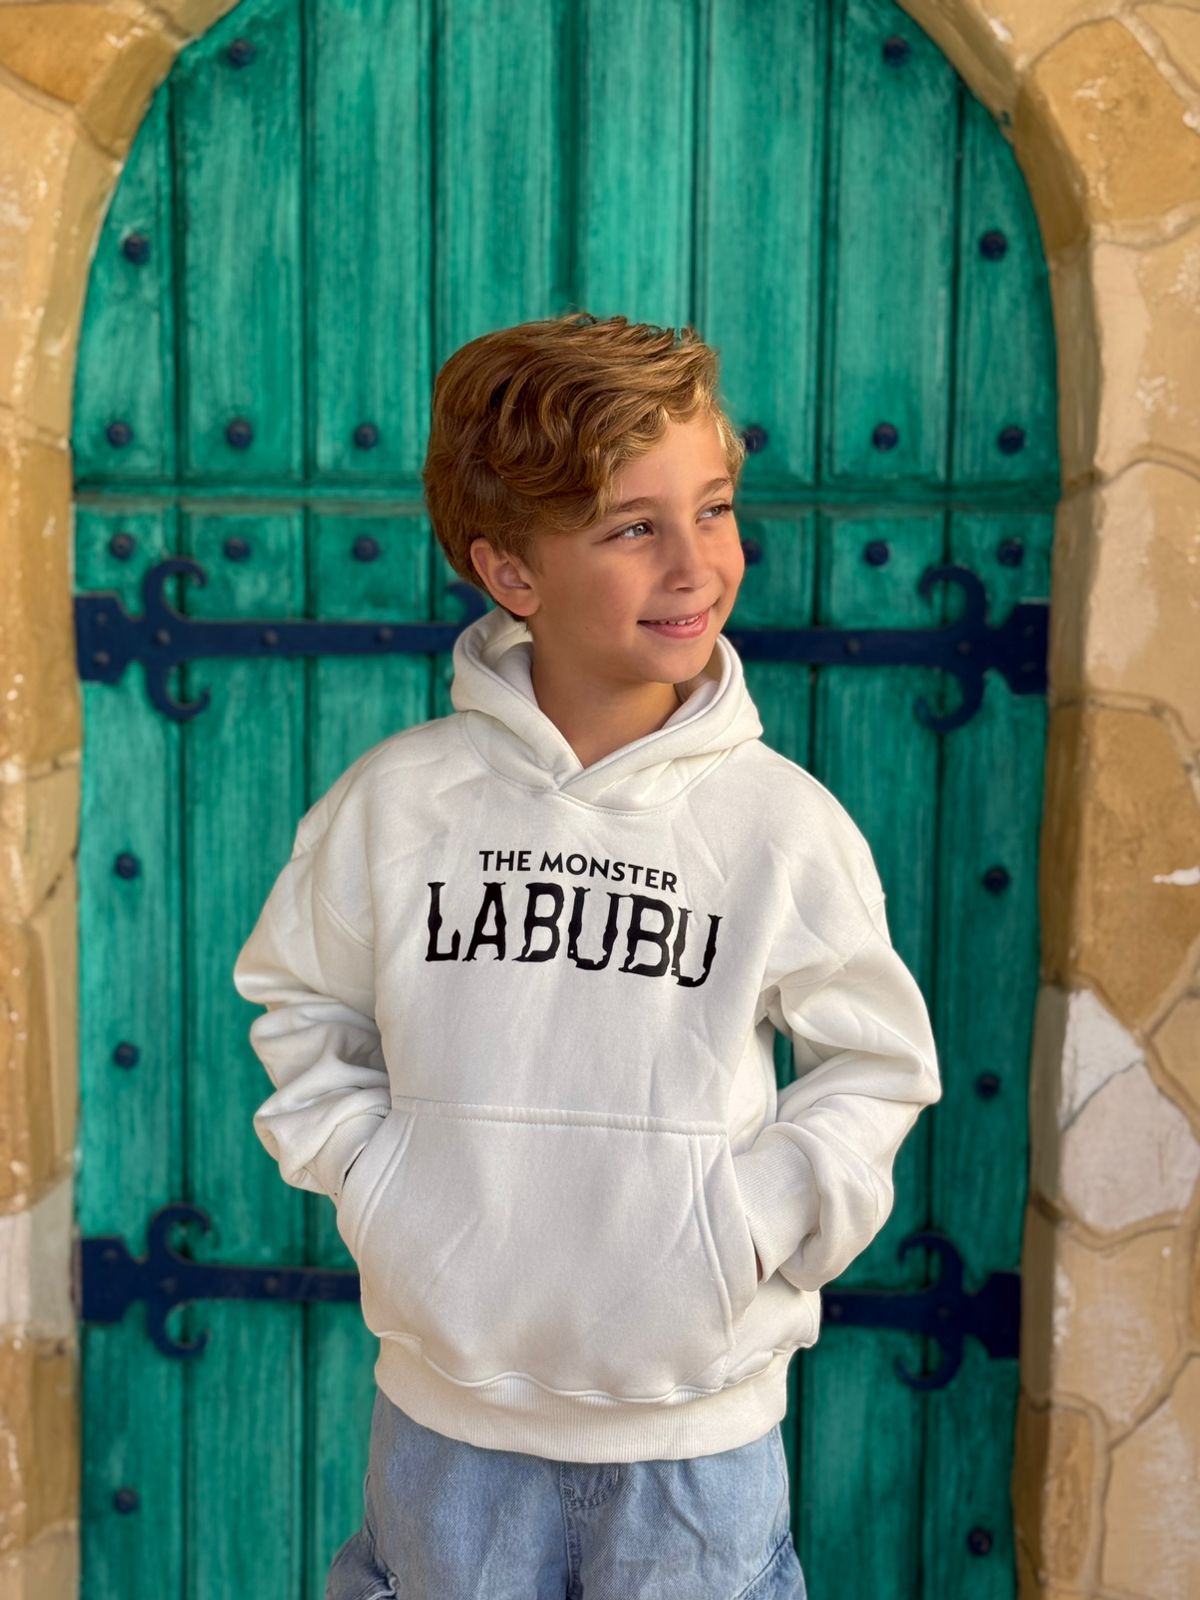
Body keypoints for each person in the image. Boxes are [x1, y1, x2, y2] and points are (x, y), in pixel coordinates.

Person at [231, 311, 942, 1600]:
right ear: (512, 571)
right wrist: (386, 1189)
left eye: (713, 509)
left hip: (698, 1445)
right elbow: (300, 1011)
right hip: (447, 1433)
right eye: (632, 528)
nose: (695, 563)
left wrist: (751, 1225)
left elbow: (878, 1066)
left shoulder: (782, 826)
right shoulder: (397, 806)